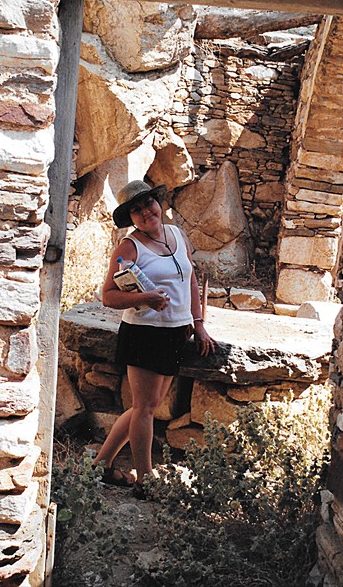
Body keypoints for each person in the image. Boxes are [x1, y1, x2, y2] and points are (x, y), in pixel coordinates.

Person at [93, 180, 217, 499]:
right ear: (130, 218)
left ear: (158, 203)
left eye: (148, 203)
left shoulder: (176, 234)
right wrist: (145, 298)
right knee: (146, 408)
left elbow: (189, 278)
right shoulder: (129, 247)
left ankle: (100, 465)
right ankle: (145, 480)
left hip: (176, 331)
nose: (146, 212)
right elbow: (108, 296)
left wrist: (198, 323)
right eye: (136, 209)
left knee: (145, 407)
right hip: (144, 334)